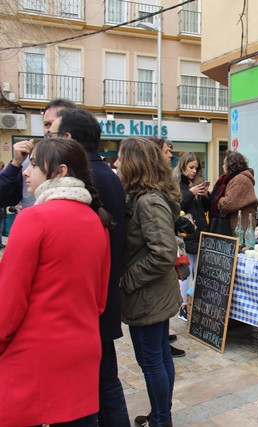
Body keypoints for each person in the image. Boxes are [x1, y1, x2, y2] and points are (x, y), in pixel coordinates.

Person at [0, 137, 113, 426]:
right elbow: (99, 301)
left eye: (34, 165)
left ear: (59, 171)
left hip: (33, 355)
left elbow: (8, 302)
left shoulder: (33, 219)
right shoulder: (96, 222)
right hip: (82, 352)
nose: (25, 171)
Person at [50, 107, 131, 425]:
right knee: (105, 377)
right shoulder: (105, 174)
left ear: (67, 139)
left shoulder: (84, 178)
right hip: (103, 295)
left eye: (53, 134)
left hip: (90, 299)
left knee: (99, 382)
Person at [114, 137, 182, 427]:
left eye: (120, 159)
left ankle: (161, 418)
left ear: (134, 164)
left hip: (148, 294)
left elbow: (164, 253)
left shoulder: (148, 200)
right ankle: (160, 414)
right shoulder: (144, 196)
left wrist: (128, 279)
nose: (116, 164)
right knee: (159, 356)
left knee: (152, 360)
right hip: (150, 292)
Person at [149, 136, 187, 357]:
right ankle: (163, 339)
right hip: (163, 250)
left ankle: (164, 336)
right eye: (166, 151)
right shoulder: (153, 187)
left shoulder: (163, 180)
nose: (171, 154)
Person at [174, 152, 210, 322]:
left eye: (196, 168)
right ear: (183, 166)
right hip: (186, 235)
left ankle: (192, 304)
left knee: (198, 273)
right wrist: (190, 192)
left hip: (200, 233)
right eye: (191, 167)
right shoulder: (177, 184)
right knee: (186, 274)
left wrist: (205, 195)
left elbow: (206, 209)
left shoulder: (194, 184)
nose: (194, 171)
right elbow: (177, 206)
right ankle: (183, 307)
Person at [214, 150, 258, 232]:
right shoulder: (234, 179)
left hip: (241, 229)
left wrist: (218, 200)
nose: (223, 166)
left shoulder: (240, 180)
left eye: (224, 164)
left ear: (231, 166)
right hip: (237, 227)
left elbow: (228, 204)